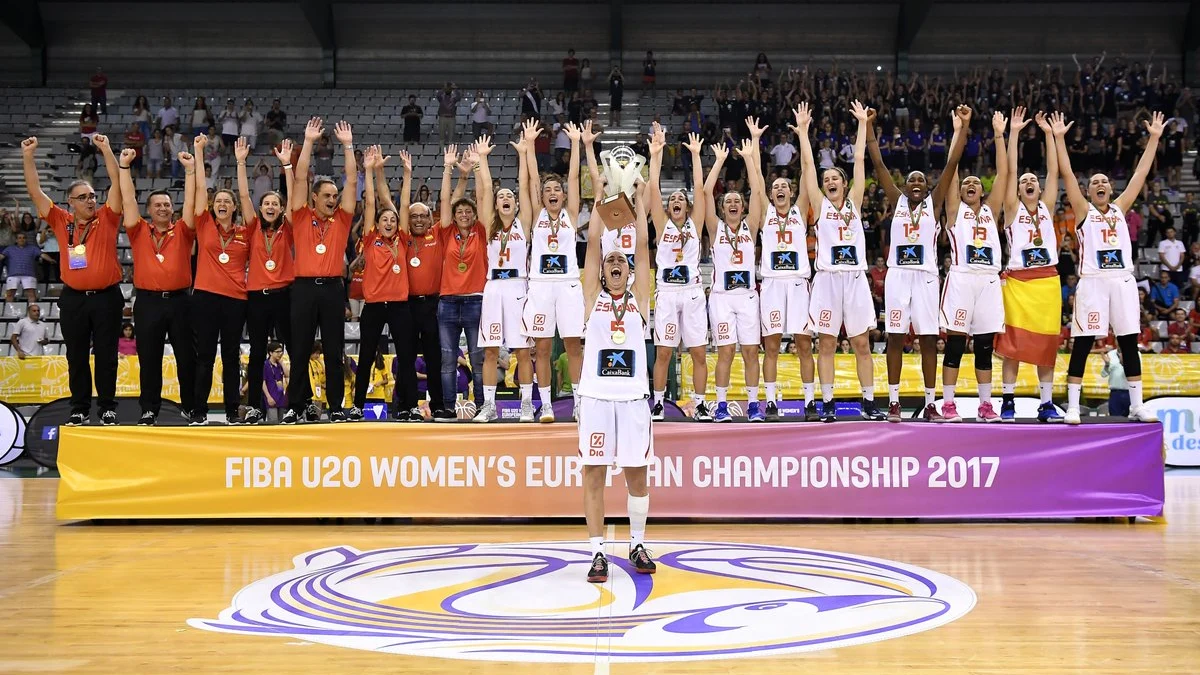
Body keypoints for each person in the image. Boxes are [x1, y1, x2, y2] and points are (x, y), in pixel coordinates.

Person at [1054, 110, 1163, 424]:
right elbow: (1068, 174)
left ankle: (1136, 404)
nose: (1100, 184)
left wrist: (1154, 138)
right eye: (1095, 183)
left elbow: (1140, 175)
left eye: (1104, 182)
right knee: (1084, 343)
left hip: (1122, 282)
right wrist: (1060, 139)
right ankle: (1073, 406)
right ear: (1088, 193)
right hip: (1093, 282)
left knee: (1128, 342)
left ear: (1111, 190)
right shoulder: (1083, 211)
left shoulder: (1120, 207)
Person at [865, 105, 967, 422]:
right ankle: (893, 402)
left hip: (925, 277)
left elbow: (951, 163)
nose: (918, 182)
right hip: (897, 276)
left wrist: (962, 128)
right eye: (912, 179)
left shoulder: (934, 205)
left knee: (927, 339)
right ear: (905, 186)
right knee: (895, 336)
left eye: (922, 178)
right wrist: (869, 126)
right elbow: (878, 161)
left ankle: (930, 403)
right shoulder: (896, 203)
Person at [577, 173, 656, 584]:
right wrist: (597, 193)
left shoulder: (641, 300)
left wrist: (639, 200)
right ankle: (596, 553)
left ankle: (637, 542)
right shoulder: (592, 300)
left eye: (620, 261)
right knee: (593, 473)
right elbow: (593, 245)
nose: (615, 264)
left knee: (636, 474)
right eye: (610, 262)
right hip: (595, 399)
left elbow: (641, 249)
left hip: (632, 401)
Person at [22, 134, 123, 426]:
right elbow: (34, 191)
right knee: (76, 356)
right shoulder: (60, 220)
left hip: (106, 297)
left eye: (93, 196)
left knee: (106, 356)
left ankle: (107, 407)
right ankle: (79, 407)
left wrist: (106, 148)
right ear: (71, 202)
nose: (91, 201)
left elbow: (117, 183)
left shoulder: (108, 217)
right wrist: (28, 157)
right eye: (84, 197)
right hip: (74, 298)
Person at [795, 101, 885, 422]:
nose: (830, 180)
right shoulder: (820, 206)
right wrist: (804, 133)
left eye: (836, 177)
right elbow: (807, 165)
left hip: (855, 278)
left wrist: (862, 124)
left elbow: (860, 160)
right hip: (828, 279)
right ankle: (828, 402)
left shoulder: (855, 203)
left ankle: (870, 401)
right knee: (828, 344)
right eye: (827, 178)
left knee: (862, 343)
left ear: (844, 184)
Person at [282, 118, 357, 424]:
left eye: (333, 196)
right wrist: (309, 142)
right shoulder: (300, 216)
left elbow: (352, 181)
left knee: (334, 350)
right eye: (326, 195)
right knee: (299, 350)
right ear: (314, 198)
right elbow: (299, 180)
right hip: (302, 289)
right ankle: (296, 406)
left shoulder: (341, 219)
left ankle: (336, 406)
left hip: (332, 289)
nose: (332, 199)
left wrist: (348, 146)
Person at [118, 144, 198, 425]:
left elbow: (191, 203)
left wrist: (190, 171)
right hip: (148, 302)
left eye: (167, 204)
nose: (164, 207)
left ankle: (191, 406)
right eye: (158, 205)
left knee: (187, 358)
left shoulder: (185, 230)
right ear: (149, 210)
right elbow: (127, 200)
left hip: (180, 301)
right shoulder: (139, 229)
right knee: (149, 360)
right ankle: (149, 409)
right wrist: (125, 167)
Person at [937, 111, 1009, 423]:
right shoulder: (955, 212)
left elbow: (1005, 175)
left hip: (989, 281)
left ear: (983, 191)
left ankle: (985, 405)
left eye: (975, 183)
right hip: (963, 278)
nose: (969, 184)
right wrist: (959, 130)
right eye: (966, 183)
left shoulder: (991, 212)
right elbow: (952, 169)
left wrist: (1000, 135)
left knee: (983, 346)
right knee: (955, 344)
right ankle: (949, 404)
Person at [996, 107, 1063, 423]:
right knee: (1014, 344)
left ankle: (1046, 403)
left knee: (1045, 344)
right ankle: (1007, 400)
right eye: (1024, 180)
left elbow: (1055, 171)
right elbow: (1008, 172)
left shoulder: (1047, 207)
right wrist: (1015, 134)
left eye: (1032, 179)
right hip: (1019, 282)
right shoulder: (1011, 209)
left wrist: (1050, 135)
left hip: (1048, 280)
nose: (1028, 181)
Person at [749, 117, 817, 420]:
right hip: (774, 284)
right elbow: (754, 183)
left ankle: (810, 401)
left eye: (783, 186)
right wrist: (753, 143)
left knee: (804, 345)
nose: (779, 189)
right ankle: (772, 401)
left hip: (799, 283)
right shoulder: (765, 211)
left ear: (791, 193)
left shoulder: (801, 210)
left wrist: (803, 134)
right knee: (773, 346)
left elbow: (808, 173)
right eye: (774, 186)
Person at [644, 123, 709, 420]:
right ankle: (658, 402)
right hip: (668, 293)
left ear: (688, 206)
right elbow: (654, 190)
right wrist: (655, 154)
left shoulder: (695, 225)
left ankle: (700, 403)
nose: (676, 202)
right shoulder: (662, 225)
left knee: (697, 352)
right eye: (673, 201)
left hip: (693, 293)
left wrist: (695, 155)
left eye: (681, 200)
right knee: (664, 353)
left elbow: (699, 188)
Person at [349, 145, 419, 421]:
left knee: (406, 356)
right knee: (366, 356)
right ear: (376, 225)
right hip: (375, 306)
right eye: (384, 219)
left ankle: (409, 406)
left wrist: (407, 174)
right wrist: (368, 170)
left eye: (393, 219)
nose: (389, 221)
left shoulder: (402, 239)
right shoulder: (370, 238)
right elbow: (369, 204)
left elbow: (402, 204)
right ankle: (356, 406)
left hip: (400, 306)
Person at [521, 120, 585, 422]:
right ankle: (545, 404)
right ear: (543, 196)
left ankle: (580, 403)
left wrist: (575, 144)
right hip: (541, 285)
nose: (553, 191)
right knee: (543, 347)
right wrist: (531, 146)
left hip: (569, 284)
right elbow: (533, 178)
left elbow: (573, 178)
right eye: (548, 190)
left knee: (574, 344)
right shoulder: (537, 215)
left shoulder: (572, 214)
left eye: (556, 188)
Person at [473, 128, 535, 422]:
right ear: (497, 205)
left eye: (509, 195)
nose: (505, 197)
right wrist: (483, 160)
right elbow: (484, 189)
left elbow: (525, 185)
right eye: (501, 196)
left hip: (519, 288)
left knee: (522, 350)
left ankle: (525, 404)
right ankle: (488, 406)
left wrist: (523, 154)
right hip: (494, 287)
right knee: (490, 351)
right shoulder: (489, 225)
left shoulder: (524, 222)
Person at [703, 130, 762, 422]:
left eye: (737, 200)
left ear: (743, 206)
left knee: (751, 351)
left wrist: (750, 159)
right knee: (726, 351)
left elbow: (759, 194)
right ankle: (722, 405)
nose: (733, 204)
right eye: (728, 201)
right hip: (723, 299)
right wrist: (719, 162)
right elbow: (704, 193)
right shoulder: (715, 229)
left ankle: (753, 406)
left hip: (748, 297)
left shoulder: (751, 226)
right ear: (722, 208)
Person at [190, 135, 250, 425]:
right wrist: (198, 152)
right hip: (205, 297)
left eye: (228, 201)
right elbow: (201, 187)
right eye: (219, 201)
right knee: (204, 356)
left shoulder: (244, 232)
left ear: (234, 208)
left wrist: (241, 163)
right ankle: (199, 410)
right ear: (213, 206)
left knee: (230, 358)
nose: (223, 203)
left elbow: (248, 197)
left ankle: (231, 411)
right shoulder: (203, 224)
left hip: (236, 300)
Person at [237, 139, 296, 425]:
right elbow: (245, 196)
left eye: (276, 203)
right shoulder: (252, 228)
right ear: (261, 208)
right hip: (257, 297)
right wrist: (240, 162)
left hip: (284, 294)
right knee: (258, 351)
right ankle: (254, 408)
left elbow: (295, 196)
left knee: (294, 349)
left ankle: (297, 403)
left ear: (282, 209)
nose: (271, 206)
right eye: (267, 203)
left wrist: (287, 166)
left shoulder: (288, 228)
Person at [434, 142, 489, 419]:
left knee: (477, 359)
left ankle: (481, 407)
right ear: (454, 216)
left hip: (475, 301)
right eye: (460, 212)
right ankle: (446, 407)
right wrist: (448, 168)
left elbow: (483, 197)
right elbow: (445, 200)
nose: (464, 214)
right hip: (447, 302)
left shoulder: (481, 230)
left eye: (468, 211)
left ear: (475, 215)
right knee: (447, 360)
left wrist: (477, 167)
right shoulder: (446, 233)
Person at [1, 231, 41, 303]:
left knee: (31, 294)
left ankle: (31, 310)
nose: (21, 239)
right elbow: (1, 256)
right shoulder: (9, 249)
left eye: (23, 238)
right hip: (13, 274)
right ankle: (9, 311)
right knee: (10, 294)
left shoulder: (33, 248)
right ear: (16, 240)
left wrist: (51, 260)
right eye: (19, 238)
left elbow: (42, 255)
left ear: (26, 239)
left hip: (29, 274)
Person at [263, 341, 289, 421]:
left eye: (281, 352)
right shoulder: (266, 365)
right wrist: (268, 397)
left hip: (280, 398)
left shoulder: (279, 364)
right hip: (271, 397)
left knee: (281, 422)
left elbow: (287, 374)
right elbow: (263, 382)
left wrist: (282, 363)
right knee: (273, 422)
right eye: (277, 352)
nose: (280, 354)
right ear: (270, 353)